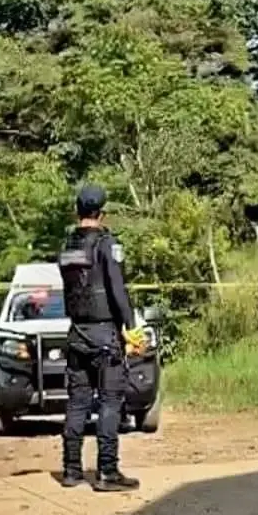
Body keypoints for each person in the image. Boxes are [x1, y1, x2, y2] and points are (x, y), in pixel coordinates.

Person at [57, 184, 146, 491]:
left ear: (77, 211)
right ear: (102, 213)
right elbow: (117, 289)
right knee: (109, 401)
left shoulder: (67, 246)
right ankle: (107, 472)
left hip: (77, 333)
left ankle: (71, 470)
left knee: (78, 402)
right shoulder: (107, 244)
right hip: (105, 333)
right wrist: (131, 327)